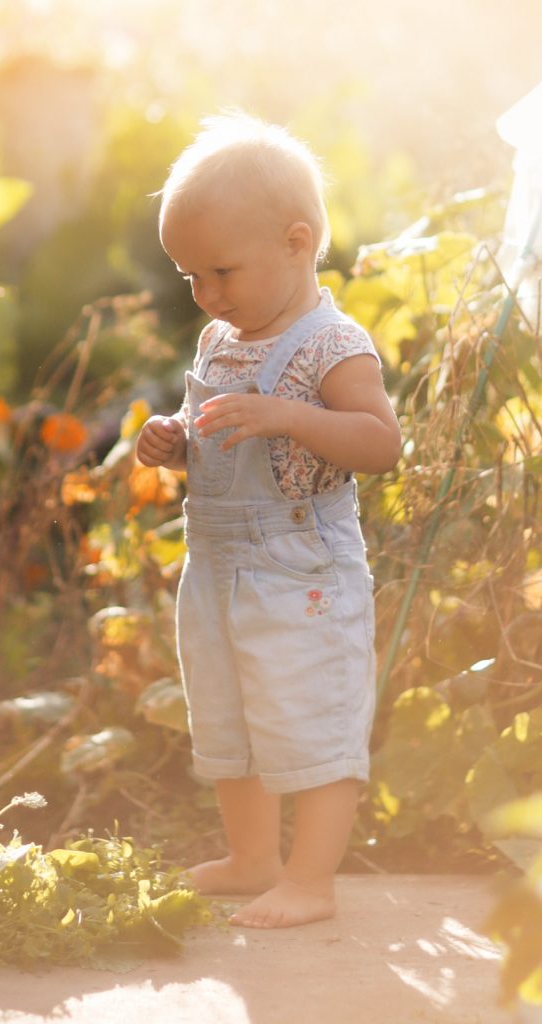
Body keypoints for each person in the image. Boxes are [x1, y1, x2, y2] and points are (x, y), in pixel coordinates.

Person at [136, 113, 401, 928]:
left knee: (308, 717)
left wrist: (287, 416)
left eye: (220, 271)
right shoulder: (223, 339)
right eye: (190, 278)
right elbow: (224, 437)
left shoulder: (335, 345)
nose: (207, 296)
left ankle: (311, 882)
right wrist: (175, 443)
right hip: (217, 565)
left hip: (300, 574)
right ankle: (253, 859)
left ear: (297, 242)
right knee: (231, 715)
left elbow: (380, 444)